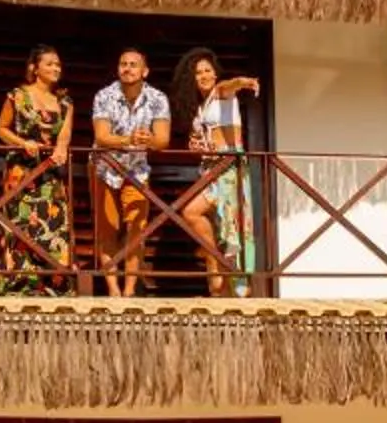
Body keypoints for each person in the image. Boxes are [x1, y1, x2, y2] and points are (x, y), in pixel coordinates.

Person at [174, 48, 262, 295]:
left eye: (207, 71)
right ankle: (217, 278)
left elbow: (230, 85)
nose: (203, 76)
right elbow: (203, 141)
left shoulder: (222, 93)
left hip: (228, 171)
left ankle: (221, 271)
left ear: (215, 74)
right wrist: (197, 146)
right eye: (198, 72)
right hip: (209, 171)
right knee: (217, 226)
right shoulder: (202, 106)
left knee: (202, 216)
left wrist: (244, 82)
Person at [0, 47, 75, 296]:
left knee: (54, 225)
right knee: (22, 226)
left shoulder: (65, 101)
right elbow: (1, 129)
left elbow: (65, 134)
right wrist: (21, 142)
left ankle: (53, 285)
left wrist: (61, 147)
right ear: (34, 68)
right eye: (49, 64)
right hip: (21, 172)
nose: (55, 68)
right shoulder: (18, 95)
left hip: (50, 174)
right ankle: (20, 285)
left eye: (58, 64)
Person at [90, 47, 170, 296]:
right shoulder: (104, 95)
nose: (127, 68)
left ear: (145, 71)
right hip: (105, 168)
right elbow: (101, 136)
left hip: (136, 171)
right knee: (108, 229)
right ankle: (113, 290)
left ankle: (129, 290)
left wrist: (149, 140)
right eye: (123, 64)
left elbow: (163, 140)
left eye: (133, 64)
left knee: (136, 229)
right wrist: (130, 140)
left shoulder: (158, 98)